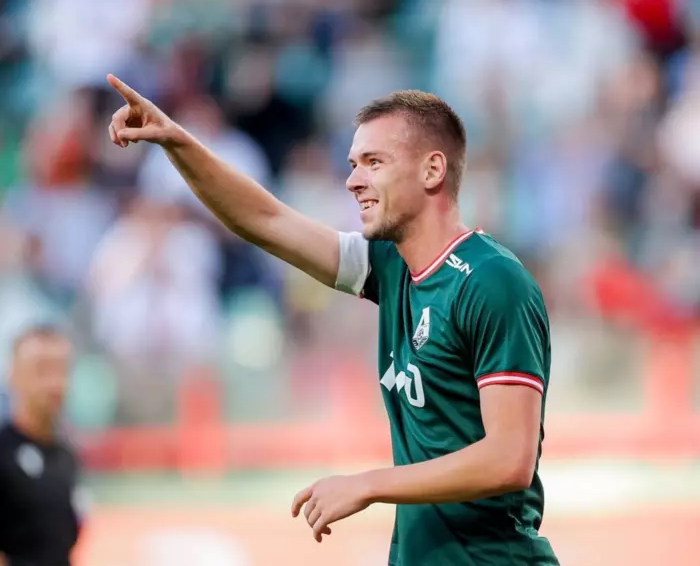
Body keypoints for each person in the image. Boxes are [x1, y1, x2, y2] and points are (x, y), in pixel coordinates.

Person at [106, 73, 560, 565]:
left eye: (373, 162)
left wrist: (368, 484)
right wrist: (176, 141)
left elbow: (508, 458)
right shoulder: (391, 266)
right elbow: (265, 220)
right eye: (352, 164)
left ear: (432, 170)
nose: (352, 180)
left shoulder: (491, 280)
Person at [0, 325, 87, 566]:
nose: (54, 383)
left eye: (61, 370)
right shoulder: (3, 454)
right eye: (42, 370)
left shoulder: (66, 454)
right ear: (13, 375)